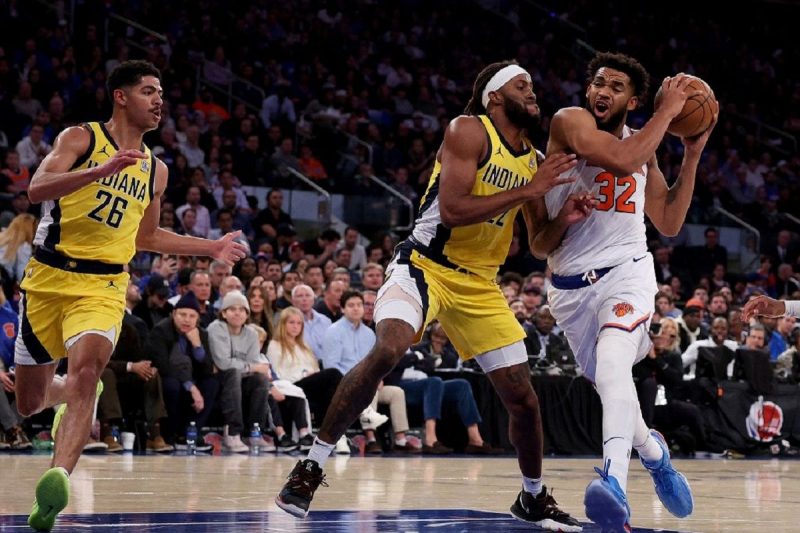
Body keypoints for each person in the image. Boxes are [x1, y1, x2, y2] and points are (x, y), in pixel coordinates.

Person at [276, 60, 581, 531]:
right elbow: (454, 210)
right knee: (390, 347)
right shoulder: (468, 130)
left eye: (533, 85)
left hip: (480, 284)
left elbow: (538, 244)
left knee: (523, 398)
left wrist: (564, 218)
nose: (534, 92)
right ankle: (311, 466)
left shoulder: (533, 162)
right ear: (495, 96)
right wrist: (529, 189)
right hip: (425, 265)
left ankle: (533, 497)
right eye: (523, 85)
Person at [13, 60, 247, 532]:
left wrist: (212, 247)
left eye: (161, 92)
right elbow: (37, 189)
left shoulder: (156, 170)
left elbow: (147, 238)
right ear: (121, 96)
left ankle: (57, 481)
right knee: (28, 402)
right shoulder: (79, 138)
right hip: (47, 280)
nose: (159, 99)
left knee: (86, 371)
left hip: (103, 286)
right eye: (148, 90)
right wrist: (101, 169)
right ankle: (67, 397)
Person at [527, 52, 716, 530]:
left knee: (614, 366)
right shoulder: (569, 122)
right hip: (569, 292)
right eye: (597, 82)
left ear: (632, 99)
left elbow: (669, 221)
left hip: (626, 274)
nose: (601, 91)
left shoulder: (643, 144)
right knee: (615, 391)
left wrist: (691, 155)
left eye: (614, 86)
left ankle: (613, 483)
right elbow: (539, 244)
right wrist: (668, 112)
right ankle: (655, 454)